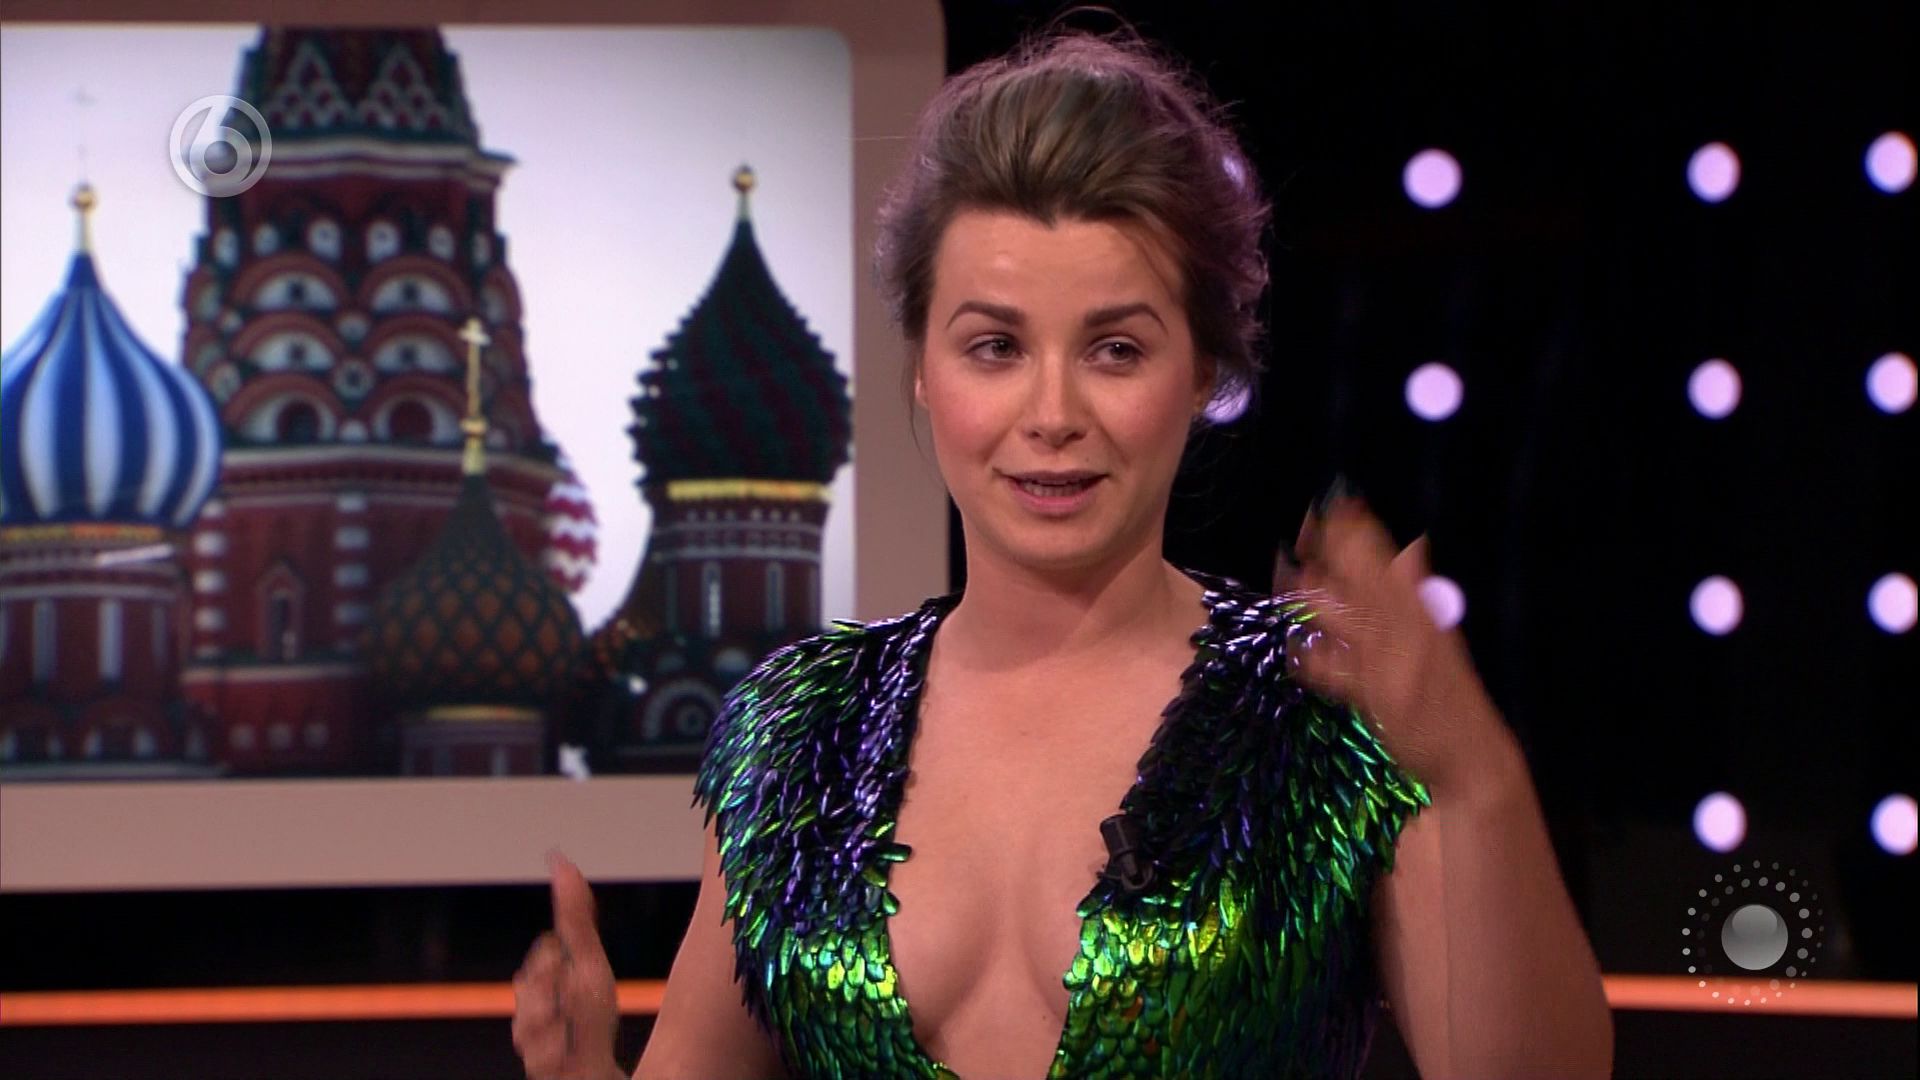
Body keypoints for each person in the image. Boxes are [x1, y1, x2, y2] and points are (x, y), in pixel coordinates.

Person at [513, 28, 1613, 1080]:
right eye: (995, 346)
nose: (1052, 415)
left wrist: (1476, 779)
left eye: (1115, 349)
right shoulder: (800, 729)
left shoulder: (1319, 705)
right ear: (922, 368)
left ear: (1202, 374)